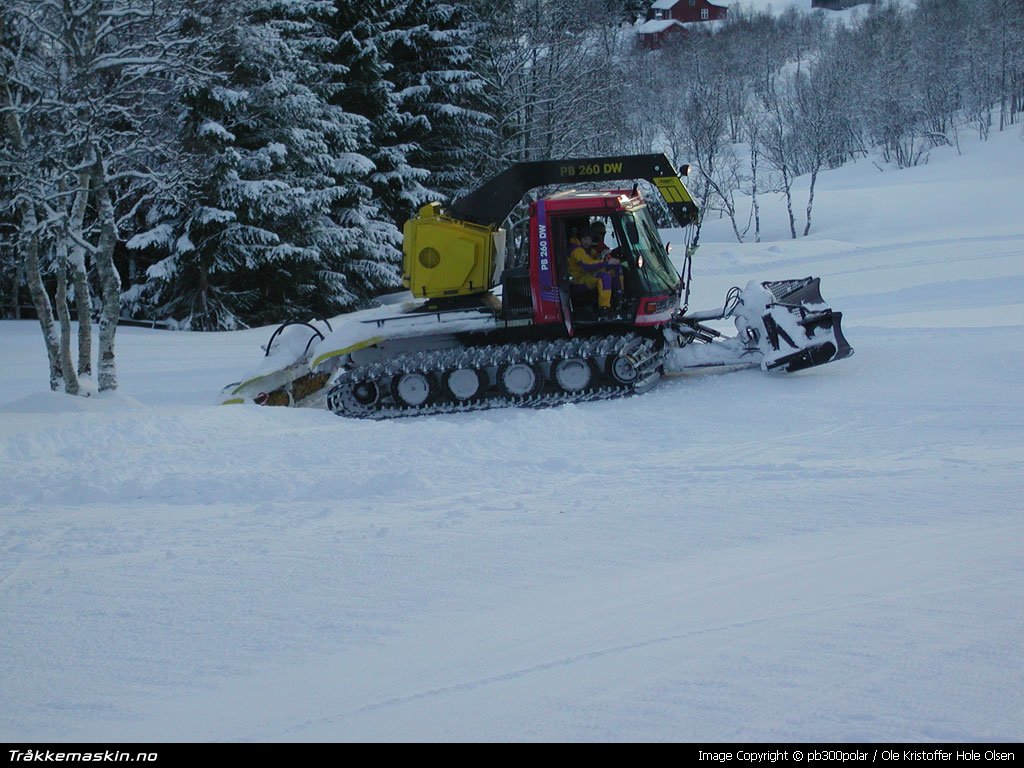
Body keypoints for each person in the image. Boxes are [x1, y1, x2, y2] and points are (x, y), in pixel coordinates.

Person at [569, 223, 625, 316]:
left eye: (590, 239)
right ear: (580, 239)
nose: (588, 242)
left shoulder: (587, 249)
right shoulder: (576, 250)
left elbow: (594, 257)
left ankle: (619, 296)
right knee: (604, 277)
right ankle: (604, 308)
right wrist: (607, 262)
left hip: (586, 275)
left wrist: (604, 255)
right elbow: (587, 265)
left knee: (614, 268)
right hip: (577, 280)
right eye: (585, 239)